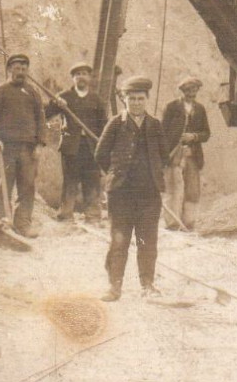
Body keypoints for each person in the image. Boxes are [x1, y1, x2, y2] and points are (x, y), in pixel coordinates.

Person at [94, 77, 169, 301]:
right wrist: (117, 173)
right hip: (121, 194)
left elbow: (164, 154)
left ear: (147, 100)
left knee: (147, 241)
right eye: (131, 99)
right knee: (119, 241)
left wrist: (152, 172)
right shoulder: (116, 123)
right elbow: (100, 154)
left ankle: (147, 286)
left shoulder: (155, 125)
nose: (136, 103)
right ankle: (114, 287)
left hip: (149, 196)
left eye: (140, 99)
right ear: (124, 100)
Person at [0, 53, 45, 238]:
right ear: (9, 69)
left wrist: (39, 144)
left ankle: (23, 224)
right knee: (4, 184)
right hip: (6, 147)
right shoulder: (1, 91)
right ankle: (1, 220)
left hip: (28, 149)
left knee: (27, 186)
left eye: (24, 69)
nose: (21, 72)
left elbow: (41, 118)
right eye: (17, 68)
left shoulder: (33, 92)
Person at [44, 62, 106, 223]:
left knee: (91, 179)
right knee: (70, 179)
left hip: (91, 146)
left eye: (84, 74)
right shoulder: (64, 97)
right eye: (77, 74)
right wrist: (55, 103)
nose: (81, 77)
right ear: (73, 78)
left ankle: (92, 215)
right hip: (71, 146)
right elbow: (46, 114)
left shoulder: (96, 99)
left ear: (89, 77)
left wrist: (102, 144)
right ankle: (65, 214)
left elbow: (103, 124)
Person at [161, 76, 212, 231]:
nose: (191, 93)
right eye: (188, 90)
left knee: (192, 189)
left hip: (192, 155)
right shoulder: (171, 107)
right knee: (173, 189)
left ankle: (188, 223)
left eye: (194, 90)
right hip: (174, 155)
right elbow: (162, 132)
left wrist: (194, 137)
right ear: (182, 91)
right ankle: (172, 223)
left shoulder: (200, 109)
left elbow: (206, 133)